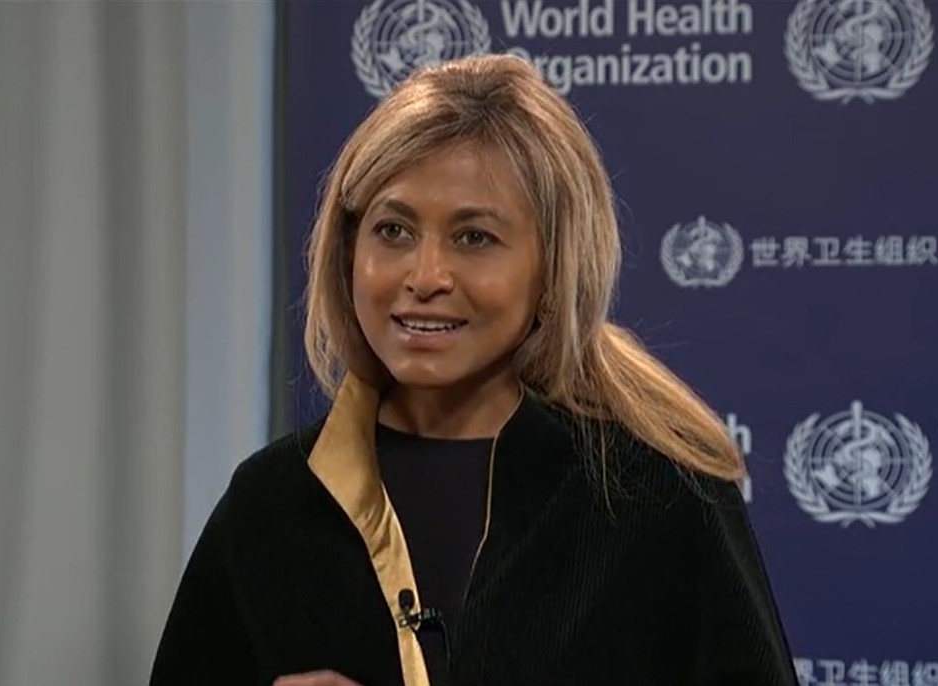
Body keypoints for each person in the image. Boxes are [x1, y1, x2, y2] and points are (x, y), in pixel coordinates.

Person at [150, 54, 796, 686]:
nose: (425, 276)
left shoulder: (660, 491)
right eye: (393, 231)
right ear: (347, 253)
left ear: (553, 268)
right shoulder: (270, 503)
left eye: (474, 237)